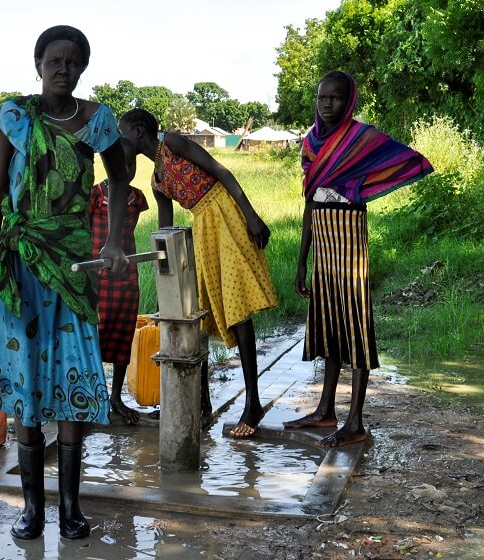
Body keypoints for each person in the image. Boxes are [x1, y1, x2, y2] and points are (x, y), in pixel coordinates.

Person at [0, 25, 129, 541]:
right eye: (54, 60)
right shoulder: (13, 118)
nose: (63, 69)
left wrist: (115, 242)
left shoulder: (97, 120)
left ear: (82, 67)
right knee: (27, 386)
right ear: (37, 64)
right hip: (18, 269)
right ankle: (33, 510)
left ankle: (71, 509)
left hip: (74, 267)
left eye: (73, 62)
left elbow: (120, 180)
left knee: (74, 382)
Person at [284, 70, 433, 448]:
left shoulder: (361, 139)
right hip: (322, 239)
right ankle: (325, 411)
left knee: (355, 328)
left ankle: (355, 421)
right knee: (330, 326)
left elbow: (407, 160)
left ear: (348, 101)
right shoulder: (310, 143)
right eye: (322, 98)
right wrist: (303, 261)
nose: (327, 104)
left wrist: (365, 185)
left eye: (334, 98)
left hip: (349, 239)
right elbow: (309, 201)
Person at [118, 108, 278, 438]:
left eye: (121, 133)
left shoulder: (174, 143)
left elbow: (221, 171)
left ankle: (253, 403)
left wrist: (250, 215)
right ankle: (201, 403)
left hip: (225, 213)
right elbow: (165, 230)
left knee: (239, 309)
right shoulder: (156, 181)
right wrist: (160, 269)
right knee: (203, 313)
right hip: (203, 227)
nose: (118, 141)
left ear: (137, 131)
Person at [88, 149, 148, 425]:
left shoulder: (138, 198)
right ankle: (93, 396)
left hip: (127, 276)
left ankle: (115, 397)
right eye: (120, 163)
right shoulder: (96, 195)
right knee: (94, 336)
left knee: (122, 335)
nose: (126, 168)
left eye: (131, 163)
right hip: (99, 275)